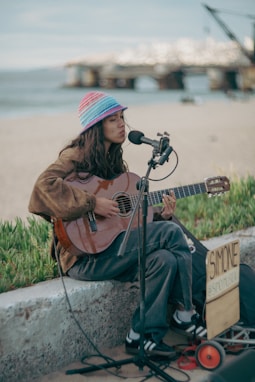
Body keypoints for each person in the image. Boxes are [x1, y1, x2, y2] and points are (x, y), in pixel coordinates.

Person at [28, 91, 199, 358]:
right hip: (83, 258)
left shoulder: (114, 163)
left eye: (122, 118)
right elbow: (42, 188)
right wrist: (91, 203)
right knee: (171, 233)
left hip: (111, 250)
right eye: (113, 119)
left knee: (163, 259)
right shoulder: (75, 156)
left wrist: (161, 215)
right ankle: (185, 312)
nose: (122, 124)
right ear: (97, 127)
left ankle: (141, 335)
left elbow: (124, 221)